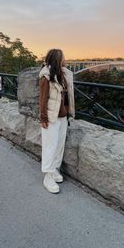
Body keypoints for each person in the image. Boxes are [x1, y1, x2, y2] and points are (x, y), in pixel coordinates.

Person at [38, 49, 75, 193]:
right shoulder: (46, 77)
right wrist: (43, 118)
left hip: (62, 116)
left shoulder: (64, 75)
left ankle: (54, 170)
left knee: (59, 146)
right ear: (57, 59)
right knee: (50, 147)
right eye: (63, 57)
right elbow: (43, 99)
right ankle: (47, 177)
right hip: (51, 117)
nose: (65, 59)